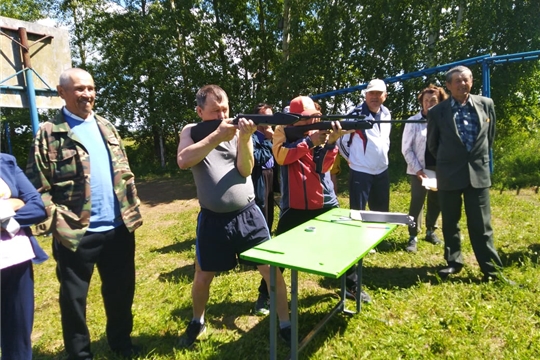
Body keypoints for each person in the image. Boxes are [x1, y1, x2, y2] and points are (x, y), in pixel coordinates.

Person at [26, 68, 143, 359]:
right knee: (74, 300)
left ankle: (121, 343)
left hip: (118, 228)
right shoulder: (49, 134)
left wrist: (132, 204)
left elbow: (124, 172)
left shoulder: (106, 126)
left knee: (120, 292)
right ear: (61, 92)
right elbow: (36, 187)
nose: (87, 94)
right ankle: (79, 353)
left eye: (90, 88)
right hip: (77, 234)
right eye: (79, 89)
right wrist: (58, 225)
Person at [176, 85, 291, 347]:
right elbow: (183, 161)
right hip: (212, 219)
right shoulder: (190, 131)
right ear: (199, 111)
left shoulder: (239, 131)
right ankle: (198, 321)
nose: (221, 115)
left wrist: (244, 138)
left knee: (272, 272)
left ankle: (285, 323)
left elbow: (245, 168)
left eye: (225, 109)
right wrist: (217, 135)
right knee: (203, 276)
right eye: (215, 110)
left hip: (248, 215)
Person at [254, 95, 373, 303]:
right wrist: (309, 141)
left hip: (324, 199)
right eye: (306, 118)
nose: (312, 122)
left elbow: (323, 167)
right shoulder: (283, 130)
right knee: (279, 253)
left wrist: (331, 144)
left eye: (314, 117)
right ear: (294, 119)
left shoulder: (321, 131)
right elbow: (281, 157)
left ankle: (351, 286)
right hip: (295, 203)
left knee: (343, 243)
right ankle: (266, 294)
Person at [427, 66, 506, 282]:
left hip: (478, 173)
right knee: (451, 222)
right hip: (449, 173)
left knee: (482, 225)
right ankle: (454, 262)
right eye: (458, 81)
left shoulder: (486, 105)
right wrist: (452, 159)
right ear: (449, 86)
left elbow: (489, 137)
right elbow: (432, 145)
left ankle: (491, 270)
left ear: (472, 81)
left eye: (466, 80)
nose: (463, 84)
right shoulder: (437, 112)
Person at [1, 153, 48, 360]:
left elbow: (37, 208)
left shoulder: (6, 162)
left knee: (18, 338)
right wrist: (13, 202)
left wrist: (5, 211)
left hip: (17, 261)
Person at [401, 85, 448, 252]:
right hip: (418, 169)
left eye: (433, 101)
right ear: (421, 102)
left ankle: (431, 231)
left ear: (440, 102)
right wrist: (418, 170)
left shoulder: (445, 120)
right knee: (417, 202)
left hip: (439, 169)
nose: (429, 104)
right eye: (426, 100)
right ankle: (412, 236)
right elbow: (406, 149)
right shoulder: (412, 121)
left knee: (436, 201)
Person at [337, 78, 392, 213]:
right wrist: (353, 160)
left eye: (378, 93)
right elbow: (341, 141)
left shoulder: (387, 113)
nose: (374, 97)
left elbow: (385, 140)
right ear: (365, 95)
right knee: (357, 213)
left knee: (381, 213)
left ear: (385, 95)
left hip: (382, 170)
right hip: (360, 172)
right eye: (371, 93)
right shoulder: (354, 115)